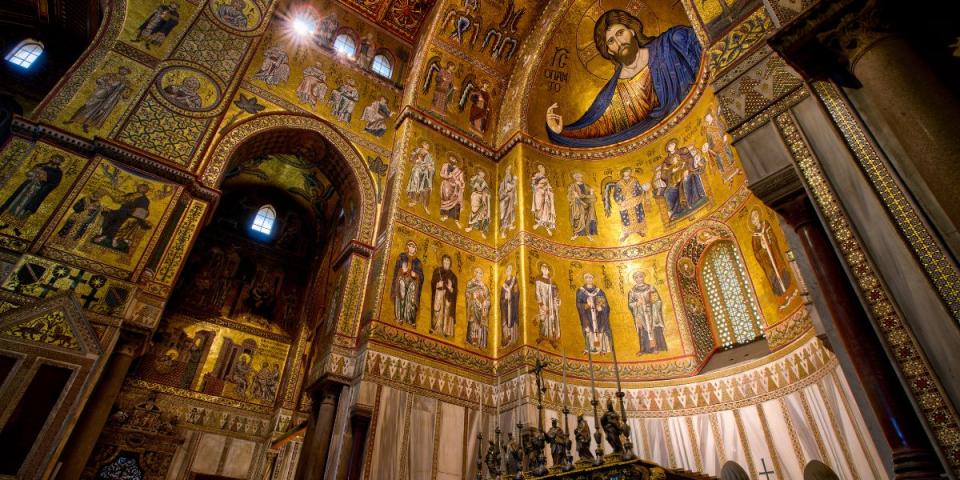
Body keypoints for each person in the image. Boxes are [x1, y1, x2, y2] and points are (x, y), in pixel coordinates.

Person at [545, 10, 701, 147]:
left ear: (632, 31)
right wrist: (561, 132)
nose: (619, 42)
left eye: (620, 33)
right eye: (611, 41)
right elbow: (595, 128)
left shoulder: (671, 44)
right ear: (610, 51)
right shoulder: (613, 95)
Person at [0, 155, 64, 225]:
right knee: (18, 198)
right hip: (28, 185)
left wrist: (44, 181)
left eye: (58, 160)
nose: (56, 160)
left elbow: (54, 184)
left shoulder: (58, 172)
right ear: (51, 158)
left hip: (39, 190)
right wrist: (34, 174)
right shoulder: (41, 165)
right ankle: (6, 214)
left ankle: (18, 220)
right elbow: (29, 173)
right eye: (55, 158)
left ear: (60, 162)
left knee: (28, 203)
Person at [65, 67, 132, 132]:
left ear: (127, 73)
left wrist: (125, 95)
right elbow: (100, 79)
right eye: (123, 69)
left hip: (111, 99)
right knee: (88, 105)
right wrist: (105, 85)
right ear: (119, 69)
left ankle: (87, 124)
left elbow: (126, 93)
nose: (123, 71)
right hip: (101, 93)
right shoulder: (110, 75)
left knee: (101, 111)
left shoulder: (126, 82)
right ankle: (74, 119)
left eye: (125, 71)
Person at [653, 139, 707, 220]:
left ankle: (689, 203)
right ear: (667, 148)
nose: (671, 147)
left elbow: (690, 160)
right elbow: (663, 175)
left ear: (675, 144)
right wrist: (671, 171)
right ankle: (674, 211)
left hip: (687, 173)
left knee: (686, 180)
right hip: (674, 180)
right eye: (669, 146)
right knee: (667, 192)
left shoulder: (683, 151)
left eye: (672, 144)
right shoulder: (666, 161)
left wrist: (688, 169)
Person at [628, 271, 667, 354]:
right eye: (637, 277)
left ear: (644, 277)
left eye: (640, 277)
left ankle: (654, 348)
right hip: (639, 314)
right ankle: (643, 349)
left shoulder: (651, 288)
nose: (639, 279)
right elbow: (630, 304)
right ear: (634, 279)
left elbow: (658, 301)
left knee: (652, 329)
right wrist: (636, 304)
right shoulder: (632, 291)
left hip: (650, 312)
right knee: (642, 330)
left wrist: (653, 303)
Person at [576, 273, 612, 354]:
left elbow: (604, 304)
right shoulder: (581, 291)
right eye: (587, 278)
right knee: (589, 330)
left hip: (599, 316)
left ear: (593, 279)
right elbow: (578, 304)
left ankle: (601, 348)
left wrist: (601, 308)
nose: (589, 279)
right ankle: (590, 348)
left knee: (600, 330)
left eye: (590, 277)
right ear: (584, 279)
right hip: (587, 316)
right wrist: (586, 305)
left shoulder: (598, 291)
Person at [392, 241, 424, 326]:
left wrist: (416, 275)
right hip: (402, 280)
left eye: (413, 247)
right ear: (407, 247)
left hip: (412, 283)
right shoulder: (402, 257)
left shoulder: (418, 262)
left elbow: (421, 276)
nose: (411, 248)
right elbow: (396, 269)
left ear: (416, 249)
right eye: (410, 246)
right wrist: (402, 270)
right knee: (402, 296)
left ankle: (409, 319)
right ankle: (400, 317)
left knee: (411, 299)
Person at [430, 255, 458, 338]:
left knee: (446, 313)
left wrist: (450, 288)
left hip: (447, 297)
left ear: (450, 263)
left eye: (448, 261)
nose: (446, 262)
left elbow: (455, 291)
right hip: (438, 294)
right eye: (445, 260)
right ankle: (435, 328)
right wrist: (437, 284)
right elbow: (432, 283)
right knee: (437, 311)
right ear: (442, 261)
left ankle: (445, 331)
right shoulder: (437, 271)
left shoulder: (453, 276)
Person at [534, 262, 560, 348]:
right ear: (541, 269)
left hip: (551, 303)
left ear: (549, 271)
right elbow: (537, 292)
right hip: (543, 302)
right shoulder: (538, 279)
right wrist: (541, 304)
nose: (544, 269)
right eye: (542, 268)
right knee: (543, 318)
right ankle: (542, 336)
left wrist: (557, 300)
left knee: (551, 319)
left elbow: (556, 293)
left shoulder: (552, 282)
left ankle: (552, 338)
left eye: (546, 268)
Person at [465, 267, 490, 348]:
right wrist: (474, 298)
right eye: (478, 273)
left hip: (482, 311)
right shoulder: (470, 283)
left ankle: (481, 343)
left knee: (481, 326)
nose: (480, 275)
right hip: (474, 309)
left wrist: (486, 303)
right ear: (475, 274)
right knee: (474, 324)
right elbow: (468, 294)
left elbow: (488, 298)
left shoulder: (484, 287)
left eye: (481, 273)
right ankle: (472, 342)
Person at [568, 171, 598, 240]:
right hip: (577, 204)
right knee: (578, 217)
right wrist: (575, 196)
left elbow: (592, 197)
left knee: (587, 218)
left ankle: (588, 234)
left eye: (580, 177)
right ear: (575, 178)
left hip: (587, 204)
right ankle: (576, 233)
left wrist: (591, 193)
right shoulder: (572, 186)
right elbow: (570, 196)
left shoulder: (586, 186)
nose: (580, 178)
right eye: (578, 177)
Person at [406, 142, 434, 211]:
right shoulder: (418, 150)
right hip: (417, 168)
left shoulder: (429, 155)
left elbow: (431, 166)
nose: (427, 146)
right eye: (426, 144)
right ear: (423, 145)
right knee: (415, 181)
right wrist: (416, 160)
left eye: (428, 145)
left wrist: (430, 167)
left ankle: (420, 202)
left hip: (424, 172)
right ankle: (414, 200)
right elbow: (411, 157)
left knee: (424, 186)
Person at [438, 155, 465, 226]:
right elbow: (441, 174)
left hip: (455, 188)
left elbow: (461, 181)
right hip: (446, 184)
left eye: (454, 159)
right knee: (445, 198)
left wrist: (460, 184)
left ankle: (455, 219)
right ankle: (444, 215)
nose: (452, 159)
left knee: (456, 201)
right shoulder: (445, 165)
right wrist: (448, 176)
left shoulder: (459, 171)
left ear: (456, 161)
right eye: (451, 158)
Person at [531, 164, 556, 235]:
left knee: (545, 208)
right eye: (542, 168)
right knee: (538, 208)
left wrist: (549, 191)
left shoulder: (546, 179)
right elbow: (533, 185)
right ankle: (539, 222)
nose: (543, 170)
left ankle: (544, 225)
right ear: (540, 169)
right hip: (538, 193)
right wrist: (539, 186)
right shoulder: (536, 176)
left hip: (545, 195)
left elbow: (549, 187)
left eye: (544, 169)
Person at [465, 170, 491, 236]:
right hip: (476, 196)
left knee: (481, 213)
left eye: (483, 175)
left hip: (482, 197)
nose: (482, 176)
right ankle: (470, 225)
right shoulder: (475, 178)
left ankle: (480, 228)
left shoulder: (484, 182)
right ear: (479, 173)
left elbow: (486, 190)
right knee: (475, 210)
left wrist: (486, 193)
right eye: (481, 174)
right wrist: (477, 187)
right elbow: (472, 185)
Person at [500, 264, 520, 347]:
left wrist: (511, 295)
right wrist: (504, 297)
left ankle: (512, 340)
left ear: (511, 271)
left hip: (512, 305)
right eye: (507, 269)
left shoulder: (514, 280)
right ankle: (506, 339)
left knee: (511, 319)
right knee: (504, 321)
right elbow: (501, 298)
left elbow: (517, 292)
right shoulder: (504, 284)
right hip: (505, 307)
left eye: (510, 269)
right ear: (505, 271)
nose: (508, 271)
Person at [499, 164, 518, 237]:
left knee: (511, 213)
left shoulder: (510, 184)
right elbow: (502, 193)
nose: (509, 177)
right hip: (505, 201)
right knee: (505, 215)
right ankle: (502, 231)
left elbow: (513, 190)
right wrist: (507, 195)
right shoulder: (503, 184)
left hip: (510, 201)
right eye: (507, 171)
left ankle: (510, 225)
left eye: (509, 172)